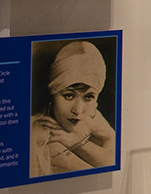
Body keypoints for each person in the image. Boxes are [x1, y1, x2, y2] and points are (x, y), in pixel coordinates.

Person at [29, 40, 116, 177]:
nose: (78, 110)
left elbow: (113, 156)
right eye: (68, 96)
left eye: (88, 97)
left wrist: (75, 142)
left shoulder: (92, 115)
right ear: (53, 94)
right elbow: (98, 173)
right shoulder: (44, 133)